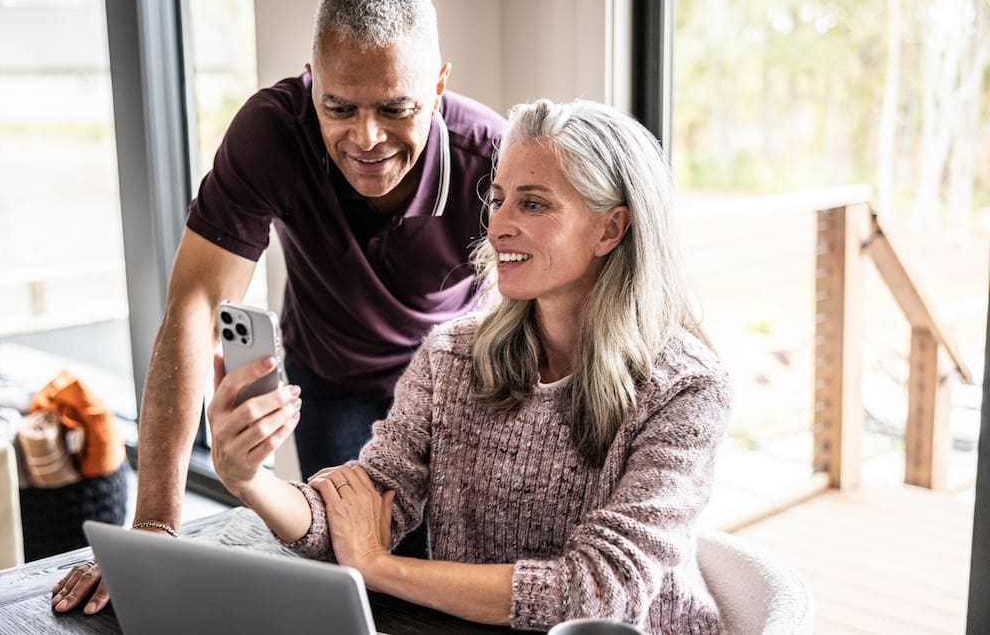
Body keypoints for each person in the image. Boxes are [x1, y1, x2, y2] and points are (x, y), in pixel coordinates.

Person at [51, 0, 504, 614]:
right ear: (312, 81)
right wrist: (154, 529)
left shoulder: (490, 158)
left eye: (396, 108)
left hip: (454, 388)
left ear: (436, 87)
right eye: (339, 107)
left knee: (445, 573)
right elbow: (196, 305)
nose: (367, 138)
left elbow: (545, 307)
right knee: (348, 576)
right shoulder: (272, 131)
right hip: (334, 376)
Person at [207, 99, 731, 632]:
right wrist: (250, 480)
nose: (498, 225)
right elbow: (363, 510)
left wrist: (380, 568)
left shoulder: (687, 389)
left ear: (610, 229)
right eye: (498, 198)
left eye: (533, 204)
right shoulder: (451, 357)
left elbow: (598, 595)